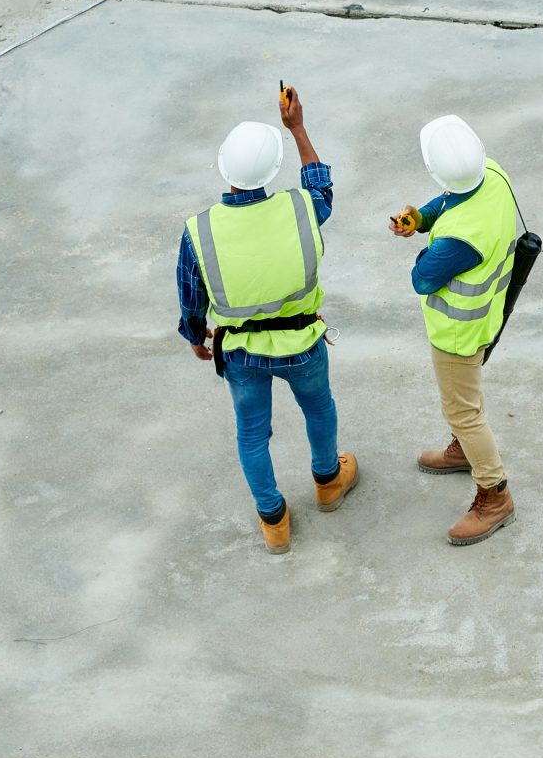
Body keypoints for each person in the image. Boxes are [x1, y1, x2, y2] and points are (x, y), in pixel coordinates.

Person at [177, 85, 359, 552]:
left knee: (252, 434)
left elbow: (191, 294)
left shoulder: (199, 230)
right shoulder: (300, 208)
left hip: (241, 353)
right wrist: (297, 127)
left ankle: (273, 520)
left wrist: (196, 336)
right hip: (303, 343)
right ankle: (327, 482)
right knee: (319, 408)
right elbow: (321, 184)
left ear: (223, 166)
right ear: (273, 170)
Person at [391, 115, 521, 546]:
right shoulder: (494, 172)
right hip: (490, 312)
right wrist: (422, 217)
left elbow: (422, 278)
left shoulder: (458, 241)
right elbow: (452, 198)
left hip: (458, 334)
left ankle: (494, 495)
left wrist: (429, 241)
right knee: (464, 403)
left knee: (463, 411)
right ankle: (463, 449)